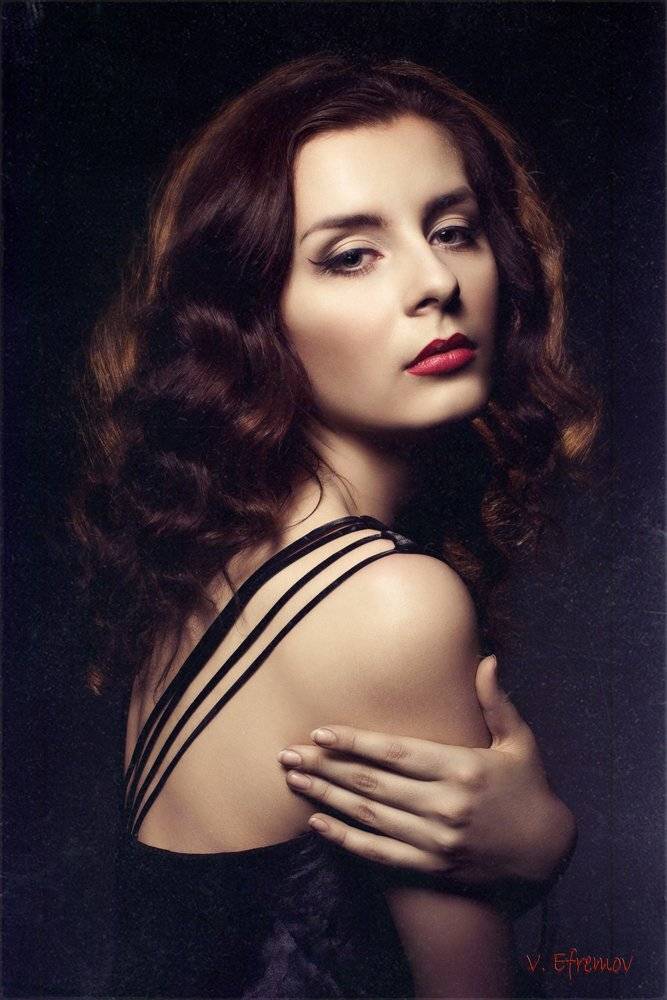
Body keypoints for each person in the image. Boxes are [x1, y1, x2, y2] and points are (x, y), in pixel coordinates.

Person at [71, 52, 598, 998]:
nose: (434, 281)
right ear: (251, 318)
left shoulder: (221, 572)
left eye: (452, 230)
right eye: (351, 254)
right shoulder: (387, 603)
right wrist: (543, 850)